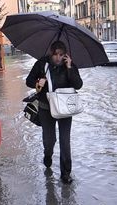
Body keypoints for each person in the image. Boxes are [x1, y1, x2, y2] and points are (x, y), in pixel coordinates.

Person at [26, 41, 83, 184]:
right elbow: (29, 80)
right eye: (55, 54)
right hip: (46, 108)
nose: (58, 58)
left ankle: (66, 174)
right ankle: (48, 155)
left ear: (65, 55)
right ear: (51, 53)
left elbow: (78, 85)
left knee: (65, 141)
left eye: (61, 55)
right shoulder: (42, 64)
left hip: (65, 109)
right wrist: (39, 82)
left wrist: (69, 68)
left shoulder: (69, 65)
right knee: (49, 140)